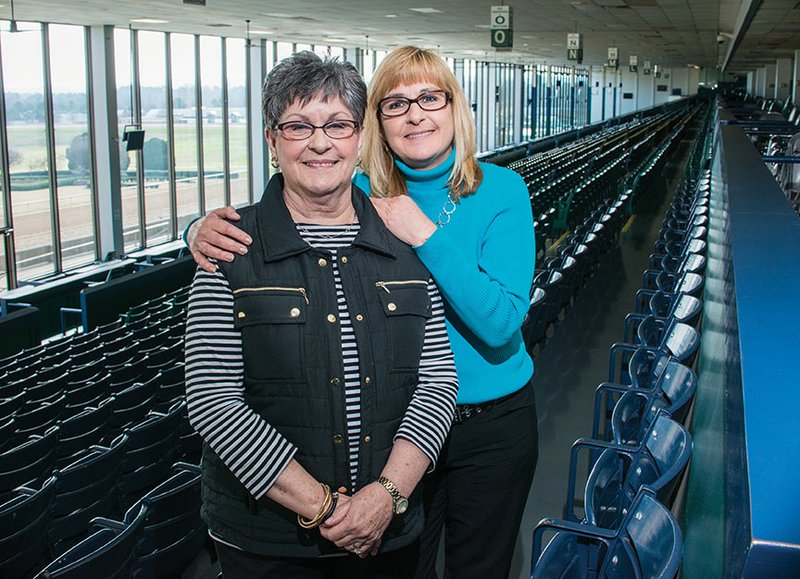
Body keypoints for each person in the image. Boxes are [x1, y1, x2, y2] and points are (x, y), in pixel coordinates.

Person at [187, 46, 538, 579]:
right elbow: (295, 198)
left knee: (478, 567)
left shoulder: (491, 194)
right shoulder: (366, 193)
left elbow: (497, 325)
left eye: (429, 98)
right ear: (375, 126)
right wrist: (197, 230)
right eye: (395, 104)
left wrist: (424, 235)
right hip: (396, 436)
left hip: (484, 423)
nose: (415, 114)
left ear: (456, 108)